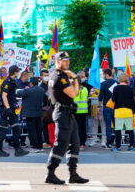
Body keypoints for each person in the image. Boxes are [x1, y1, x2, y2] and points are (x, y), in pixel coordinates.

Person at [46, 51, 89, 185]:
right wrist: (75, 78)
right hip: (62, 113)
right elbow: (74, 93)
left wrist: (74, 78)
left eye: (68, 60)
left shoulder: (61, 75)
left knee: (74, 144)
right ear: (57, 62)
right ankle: (50, 173)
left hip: (68, 113)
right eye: (64, 60)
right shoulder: (60, 77)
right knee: (61, 144)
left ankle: (73, 174)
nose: (67, 62)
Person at [0, 65, 29, 157]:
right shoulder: (7, 82)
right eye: (17, 71)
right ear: (15, 72)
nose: (18, 73)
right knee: (3, 129)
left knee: (16, 128)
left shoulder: (13, 81)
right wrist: (8, 107)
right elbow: (4, 95)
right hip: (6, 109)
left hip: (11, 108)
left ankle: (18, 149)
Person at [17, 77, 45, 153]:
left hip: (30, 114)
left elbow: (18, 93)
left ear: (31, 83)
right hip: (38, 113)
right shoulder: (41, 90)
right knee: (38, 130)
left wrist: (25, 89)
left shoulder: (28, 90)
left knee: (32, 131)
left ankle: (35, 146)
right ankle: (40, 146)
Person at [111, 73, 135, 151]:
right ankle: (131, 145)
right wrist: (133, 112)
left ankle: (118, 146)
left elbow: (113, 99)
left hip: (119, 111)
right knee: (130, 129)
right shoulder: (130, 88)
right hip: (128, 111)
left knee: (118, 129)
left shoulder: (116, 88)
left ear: (119, 79)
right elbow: (132, 101)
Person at [98, 68, 118, 149]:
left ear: (106, 74)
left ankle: (109, 143)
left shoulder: (103, 83)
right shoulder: (117, 83)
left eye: (103, 74)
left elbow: (100, 97)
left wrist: (99, 107)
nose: (103, 76)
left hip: (106, 106)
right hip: (116, 106)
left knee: (108, 126)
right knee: (117, 125)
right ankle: (117, 142)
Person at [74, 75, 88, 151]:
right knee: (83, 127)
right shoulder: (85, 89)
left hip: (76, 111)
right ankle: (83, 143)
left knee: (78, 128)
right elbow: (87, 99)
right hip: (84, 110)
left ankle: (80, 144)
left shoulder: (74, 89)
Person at [39, 69, 52, 149]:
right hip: (44, 109)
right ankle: (46, 141)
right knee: (44, 125)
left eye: (47, 75)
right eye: (45, 76)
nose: (46, 77)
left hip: (53, 108)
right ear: (41, 76)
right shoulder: (40, 87)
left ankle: (53, 141)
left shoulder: (51, 85)